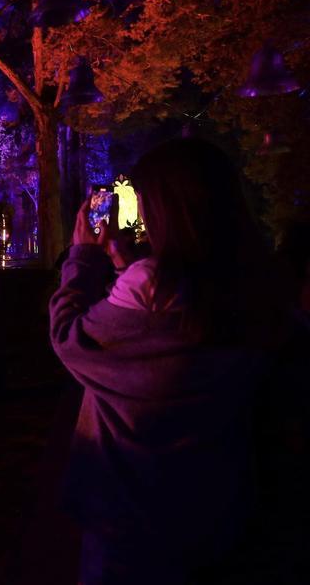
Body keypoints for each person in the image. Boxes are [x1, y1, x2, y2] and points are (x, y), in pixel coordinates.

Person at [49, 138, 285, 584]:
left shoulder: (152, 282)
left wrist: (82, 260)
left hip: (129, 512)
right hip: (216, 504)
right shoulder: (253, 284)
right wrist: (127, 267)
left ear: (168, 209)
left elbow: (72, 340)